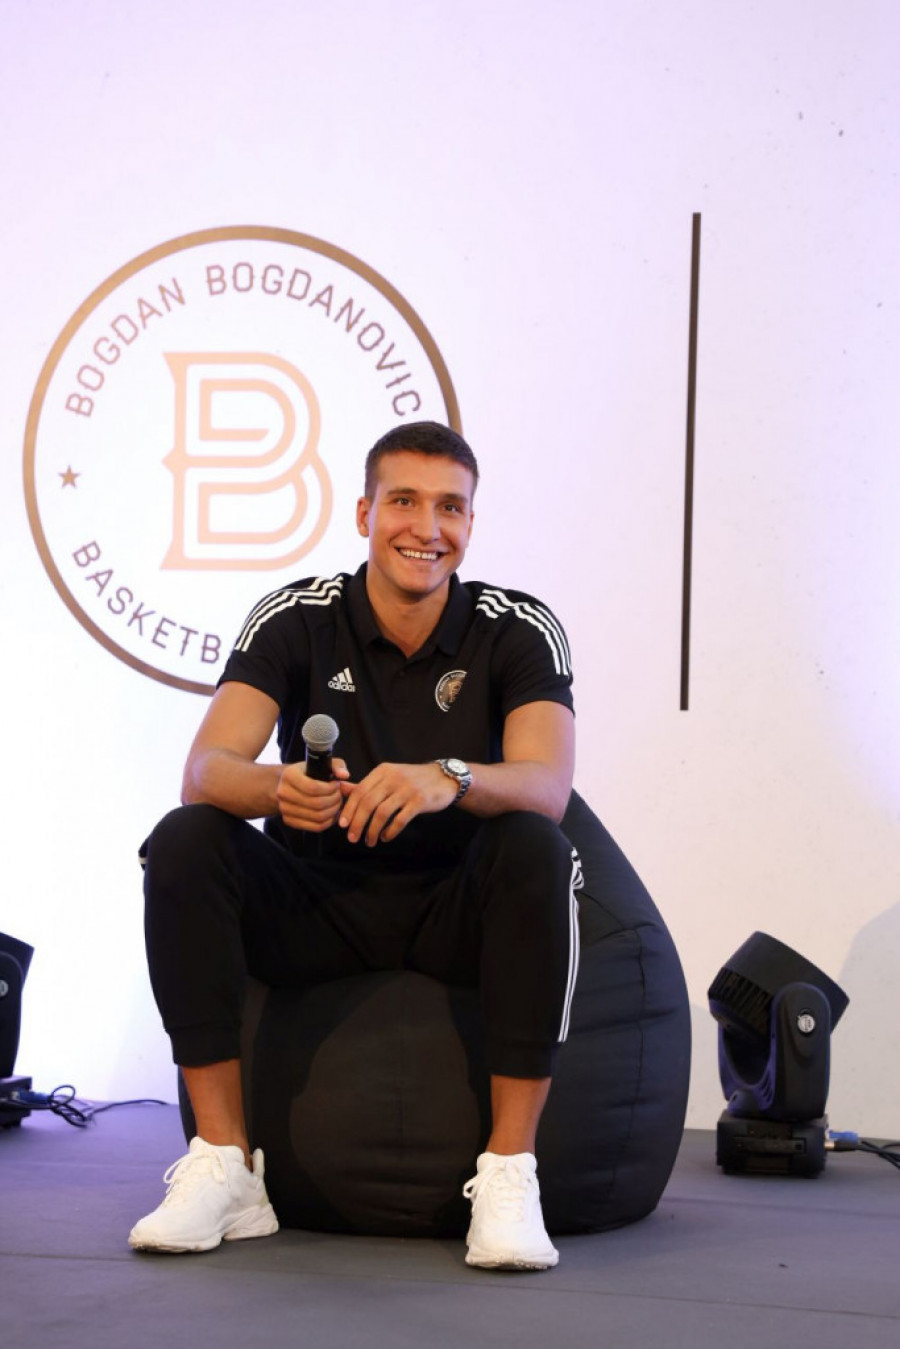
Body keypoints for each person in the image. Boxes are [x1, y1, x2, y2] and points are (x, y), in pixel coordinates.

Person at [130, 421, 580, 1270]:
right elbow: (205, 769)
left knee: (536, 847)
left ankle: (510, 1172)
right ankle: (225, 1164)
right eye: (404, 501)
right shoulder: (298, 615)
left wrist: (448, 775)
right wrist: (279, 788)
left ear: (471, 523)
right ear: (366, 512)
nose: (427, 527)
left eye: (450, 507)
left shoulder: (517, 627)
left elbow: (547, 785)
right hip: (319, 906)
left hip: (454, 909)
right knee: (186, 838)